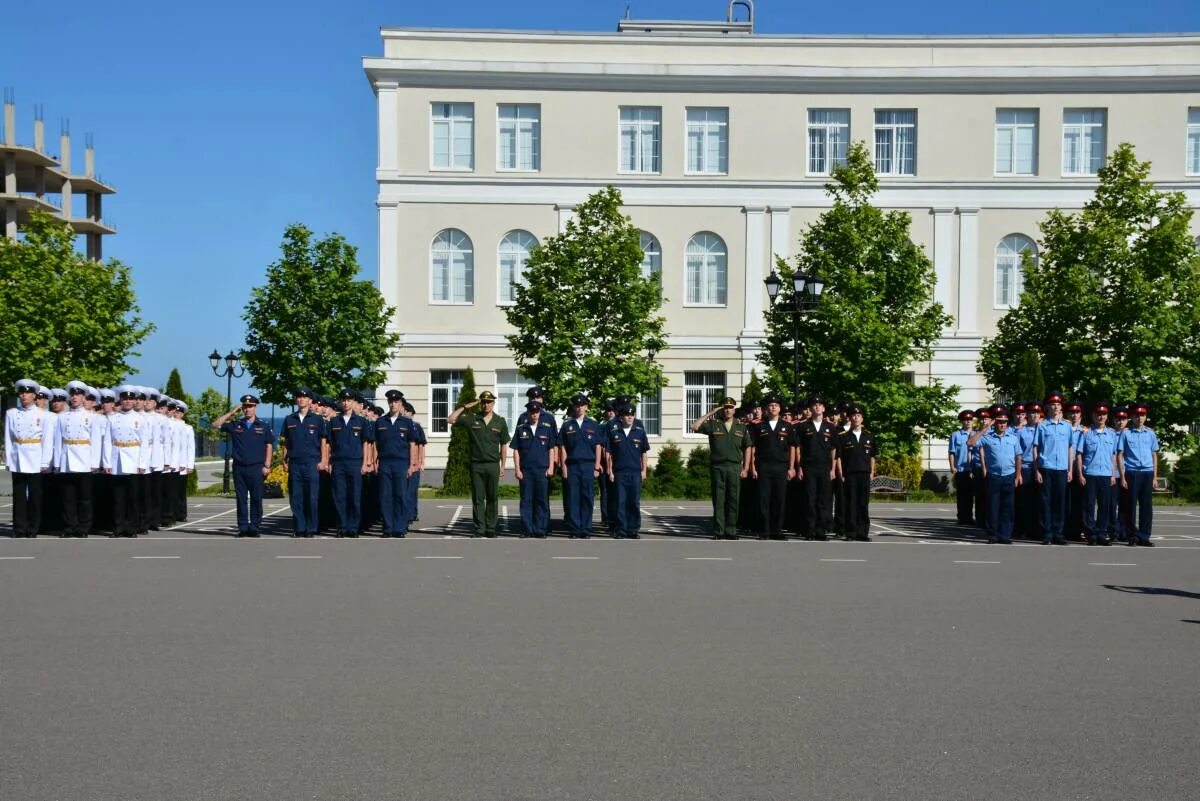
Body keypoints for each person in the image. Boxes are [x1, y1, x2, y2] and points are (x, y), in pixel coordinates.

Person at [211, 394, 276, 537]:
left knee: (256, 498)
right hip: (239, 467)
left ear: (255, 408)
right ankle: (243, 527)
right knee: (241, 499)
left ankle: (255, 527)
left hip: (257, 467)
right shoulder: (235, 425)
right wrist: (232, 412)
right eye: (245, 407)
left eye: (250, 406)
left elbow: (269, 445)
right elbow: (215, 424)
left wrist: (267, 465)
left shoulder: (263, 426)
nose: (247, 409)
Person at [448, 390, 508, 537]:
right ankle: (480, 528)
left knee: (493, 497)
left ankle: (491, 528)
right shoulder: (472, 419)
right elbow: (450, 419)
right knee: (478, 498)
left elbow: (504, 444)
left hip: (493, 464)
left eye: (489, 402)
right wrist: (465, 406)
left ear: (493, 403)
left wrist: (503, 465)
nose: (486, 404)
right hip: (477, 465)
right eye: (483, 402)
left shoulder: (500, 421)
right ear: (480, 403)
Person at [692, 396, 751, 540]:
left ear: (734, 409)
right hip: (718, 467)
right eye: (725, 408)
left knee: (733, 500)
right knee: (719, 500)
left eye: (730, 408)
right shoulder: (714, 424)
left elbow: (747, 447)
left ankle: (731, 531)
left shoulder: (741, 427)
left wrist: (746, 468)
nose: (728, 410)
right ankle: (719, 531)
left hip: (735, 467)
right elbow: (694, 426)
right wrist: (711, 412)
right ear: (722, 409)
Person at [53, 380, 106, 537]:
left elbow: (96, 442)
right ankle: (69, 526)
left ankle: (84, 527)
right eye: (73, 394)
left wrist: (95, 462)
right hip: (67, 459)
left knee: (85, 498)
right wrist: (57, 462)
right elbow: (58, 441)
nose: (75, 397)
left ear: (84, 397)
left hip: (84, 459)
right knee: (68, 497)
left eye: (78, 394)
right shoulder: (63, 417)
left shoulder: (92, 417)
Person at [321, 388, 374, 538]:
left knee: (355, 496)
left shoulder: (361, 421)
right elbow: (329, 444)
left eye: (348, 400)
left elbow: (366, 443)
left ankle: (353, 527)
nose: (345, 403)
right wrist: (328, 462)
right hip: (338, 463)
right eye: (343, 400)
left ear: (352, 402)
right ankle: (342, 527)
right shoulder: (334, 421)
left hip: (355, 463)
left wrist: (365, 463)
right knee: (339, 496)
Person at [5, 379, 55, 537]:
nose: (23, 395)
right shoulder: (12, 413)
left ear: (34, 396)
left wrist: (45, 461)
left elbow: (47, 440)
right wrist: (8, 459)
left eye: (27, 393)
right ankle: (19, 528)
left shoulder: (43, 415)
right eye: (21, 393)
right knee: (19, 496)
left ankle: (33, 527)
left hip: (35, 456)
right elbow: (8, 437)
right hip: (18, 456)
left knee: (35, 496)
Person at [104, 386, 150, 537]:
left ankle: (131, 527)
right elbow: (107, 442)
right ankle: (118, 527)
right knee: (118, 498)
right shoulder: (112, 418)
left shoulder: (140, 419)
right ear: (120, 400)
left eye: (130, 399)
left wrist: (142, 464)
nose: (128, 401)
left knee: (132, 498)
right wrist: (107, 463)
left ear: (134, 401)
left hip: (133, 459)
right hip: (116, 459)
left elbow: (144, 443)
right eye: (125, 399)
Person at [747, 394, 795, 540]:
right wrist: (753, 467)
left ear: (780, 409)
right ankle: (765, 530)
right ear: (766, 409)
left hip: (781, 467)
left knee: (779, 500)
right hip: (764, 467)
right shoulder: (759, 426)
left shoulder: (787, 427)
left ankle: (777, 530)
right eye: (770, 405)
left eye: (776, 405)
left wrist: (791, 468)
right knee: (764, 500)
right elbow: (753, 448)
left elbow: (792, 447)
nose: (773, 407)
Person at [793, 394, 839, 541]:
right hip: (809, 467)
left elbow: (834, 450)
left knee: (823, 500)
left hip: (825, 467)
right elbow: (798, 448)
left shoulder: (830, 428)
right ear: (810, 408)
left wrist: (832, 469)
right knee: (810, 499)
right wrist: (799, 467)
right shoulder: (803, 427)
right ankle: (810, 530)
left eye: (819, 405)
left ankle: (821, 530)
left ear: (824, 408)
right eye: (814, 405)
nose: (817, 407)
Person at [280, 387, 324, 537]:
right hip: (295, 463)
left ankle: (311, 528)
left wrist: (323, 460)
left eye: (305, 397)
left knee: (311, 498)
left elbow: (324, 441)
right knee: (296, 498)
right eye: (298, 397)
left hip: (312, 462)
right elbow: (285, 442)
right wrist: (284, 461)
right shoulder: (289, 419)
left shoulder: (317, 420)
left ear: (310, 401)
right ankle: (299, 528)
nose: (301, 399)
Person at [373, 389, 418, 538]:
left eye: (396, 402)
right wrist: (374, 461)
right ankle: (387, 527)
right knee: (385, 496)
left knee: (400, 496)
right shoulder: (380, 422)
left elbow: (412, 444)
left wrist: (412, 464)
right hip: (385, 462)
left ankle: (399, 527)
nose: (393, 404)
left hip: (401, 463)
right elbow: (375, 444)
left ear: (400, 403)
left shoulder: (407, 422)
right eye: (391, 402)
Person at [558, 394, 603, 538]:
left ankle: (586, 528)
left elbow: (598, 446)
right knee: (573, 498)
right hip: (572, 466)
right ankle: (575, 529)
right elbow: (562, 447)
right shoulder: (567, 425)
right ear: (573, 407)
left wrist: (597, 466)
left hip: (588, 465)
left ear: (586, 407)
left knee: (587, 497)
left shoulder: (593, 425)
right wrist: (564, 467)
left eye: (582, 405)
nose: (579, 408)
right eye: (576, 405)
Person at [510, 401, 557, 537]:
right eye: (532, 412)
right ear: (528, 413)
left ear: (539, 413)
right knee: (526, 500)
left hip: (542, 470)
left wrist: (551, 467)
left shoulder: (546, 428)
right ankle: (527, 529)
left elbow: (551, 449)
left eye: (536, 412)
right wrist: (517, 469)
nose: (534, 414)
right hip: (526, 471)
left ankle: (540, 529)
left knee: (541, 501)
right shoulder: (521, 429)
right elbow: (516, 451)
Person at [604, 402, 650, 538]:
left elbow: (644, 453)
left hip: (635, 472)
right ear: (621, 417)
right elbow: (610, 454)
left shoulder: (640, 432)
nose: (629, 417)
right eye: (626, 415)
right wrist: (610, 471)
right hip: (619, 472)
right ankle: (621, 530)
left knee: (634, 502)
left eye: (631, 415)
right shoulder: (615, 433)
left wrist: (644, 471)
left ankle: (633, 530)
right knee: (620, 502)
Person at [1033, 391, 1073, 545]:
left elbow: (1070, 448)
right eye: (1052, 405)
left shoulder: (1067, 426)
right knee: (1046, 502)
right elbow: (1036, 448)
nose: (1056, 407)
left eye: (1058, 405)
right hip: (1046, 467)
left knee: (1060, 502)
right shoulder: (1042, 426)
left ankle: (1059, 533)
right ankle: (1047, 533)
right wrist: (1037, 470)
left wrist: (1070, 470)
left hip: (1062, 468)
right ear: (1048, 408)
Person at [1117, 401, 1159, 547]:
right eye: (1136, 415)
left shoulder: (1151, 433)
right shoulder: (1126, 433)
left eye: (1142, 415)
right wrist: (1122, 476)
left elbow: (1154, 455)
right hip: (1132, 472)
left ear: (1145, 417)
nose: (1139, 418)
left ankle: (1144, 536)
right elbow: (1120, 455)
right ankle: (1132, 536)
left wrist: (1154, 476)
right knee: (1130, 506)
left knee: (1146, 506)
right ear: (1132, 417)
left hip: (1147, 472)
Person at [1076, 401, 1117, 546]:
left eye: (1103, 414)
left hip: (1105, 474)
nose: (1101, 417)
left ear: (1107, 416)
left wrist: (1113, 474)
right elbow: (1079, 454)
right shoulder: (1086, 434)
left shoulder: (1112, 434)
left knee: (1104, 505)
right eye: (1098, 414)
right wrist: (1080, 474)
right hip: (1090, 473)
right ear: (1093, 416)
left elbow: (1114, 455)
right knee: (1089, 505)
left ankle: (1101, 533)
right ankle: (1090, 534)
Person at [979, 408, 1022, 544]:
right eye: (999, 422)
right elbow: (970, 443)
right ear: (995, 423)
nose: (1002, 424)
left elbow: (1018, 457)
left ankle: (1005, 535)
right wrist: (984, 429)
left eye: (1004, 422)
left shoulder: (1013, 438)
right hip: (994, 476)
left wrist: (1018, 475)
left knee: (1007, 508)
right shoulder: (987, 438)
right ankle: (992, 535)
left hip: (1009, 475)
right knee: (993, 507)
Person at [836, 405, 877, 541]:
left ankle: (863, 533)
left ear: (862, 418)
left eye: (858, 416)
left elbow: (872, 456)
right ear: (850, 418)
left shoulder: (869, 436)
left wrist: (872, 472)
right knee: (851, 503)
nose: (856, 418)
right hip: (850, 474)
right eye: (853, 415)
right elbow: (839, 457)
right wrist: (841, 473)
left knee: (863, 504)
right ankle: (851, 533)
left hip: (864, 474)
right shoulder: (844, 437)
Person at [948, 410, 977, 525]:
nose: (968, 422)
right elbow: (951, 452)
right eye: (966, 420)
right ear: (962, 421)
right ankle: (962, 517)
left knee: (971, 495)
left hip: (973, 469)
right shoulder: (956, 435)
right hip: (961, 469)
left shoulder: (976, 434)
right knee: (962, 495)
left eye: (970, 420)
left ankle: (970, 517)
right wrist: (952, 466)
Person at [401, 401, 426, 531]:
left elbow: (420, 445)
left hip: (414, 463)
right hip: (402, 462)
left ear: (411, 413)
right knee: (403, 491)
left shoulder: (416, 427)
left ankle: (411, 514)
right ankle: (405, 515)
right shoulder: (399, 424)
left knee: (411, 491)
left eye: (406, 411)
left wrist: (421, 462)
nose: (404, 413)